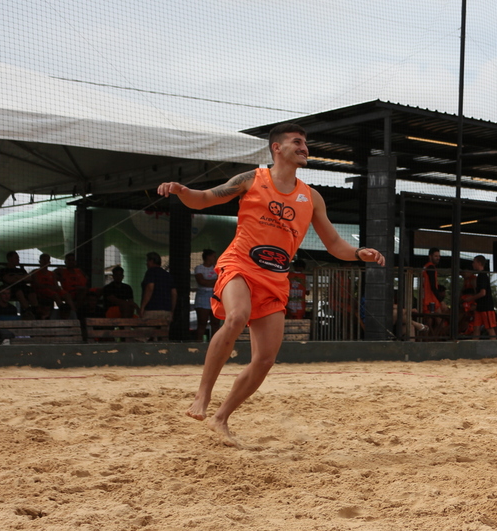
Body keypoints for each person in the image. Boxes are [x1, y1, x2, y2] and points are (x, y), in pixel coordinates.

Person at [156, 121, 385, 443]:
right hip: (240, 263)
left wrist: (360, 253)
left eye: (305, 142)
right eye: (297, 142)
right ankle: (202, 396)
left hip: (276, 277)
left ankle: (221, 418)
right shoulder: (252, 179)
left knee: (265, 359)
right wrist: (183, 192)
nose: (304, 147)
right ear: (277, 148)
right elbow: (205, 198)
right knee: (237, 317)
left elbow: (334, 244)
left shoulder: (311, 197)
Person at [139, 251, 176, 320]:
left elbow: (150, 287)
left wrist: (143, 307)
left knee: (146, 327)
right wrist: (172, 311)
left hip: (152, 310)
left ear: (151, 261)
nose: (146, 263)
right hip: (166, 311)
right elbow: (174, 293)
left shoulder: (151, 272)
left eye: (147, 261)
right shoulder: (168, 275)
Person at [30, 253, 66, 319]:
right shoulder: (35, 272)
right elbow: (37, 285)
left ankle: (72, 312)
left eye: (47, 260)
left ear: (49, 262)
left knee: (66, 295)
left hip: (51, 290)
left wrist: (56, 288)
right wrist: (49, 287)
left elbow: (56, 286)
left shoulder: (52, 274)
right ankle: (63, 312)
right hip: (41, 291)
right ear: (40, 261)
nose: (45, 262)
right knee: (54, 295)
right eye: (44, 260)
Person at [194, 248, 220, 340]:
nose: (215, 258)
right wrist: (215, 281)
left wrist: (210, 282)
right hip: (203, 296)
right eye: (213, 256)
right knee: (202, 322)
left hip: (215, 295)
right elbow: (202, 282)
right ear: (208, 257)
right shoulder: (199, 268)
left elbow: (220, 281)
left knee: (215, 323)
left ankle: (215, 343)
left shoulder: (216, 268)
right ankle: (199, 342)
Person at [469, 255, 497, 338]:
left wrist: (471, 298)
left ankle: (494, 344)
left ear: (479, 263)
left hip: (486, 307)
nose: (473, 264)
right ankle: (475, 343)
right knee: (476, 328)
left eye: (474, 262)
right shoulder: (480, 276)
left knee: (490, 328)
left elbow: (483, 293)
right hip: (480, 307)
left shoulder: (483, 276)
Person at [420, 249, 441, 315]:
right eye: (436, 256)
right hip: (431, 298)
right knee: (440, 317)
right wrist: (439, 298)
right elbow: (433, 285)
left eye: (439, 256)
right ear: (430, 256)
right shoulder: (431, 267)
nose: (438, 258)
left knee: (428, 318)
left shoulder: (425, 267)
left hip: (425, 298)